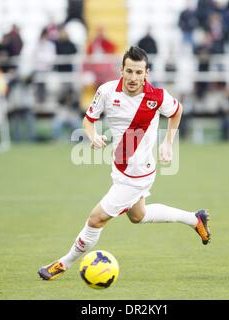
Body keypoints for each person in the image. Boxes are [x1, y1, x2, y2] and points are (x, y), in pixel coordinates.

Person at [38, 47, 211, 281]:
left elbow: (177, 111)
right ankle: (194, 219)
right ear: (121, 70)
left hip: (137, 175)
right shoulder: (107, 91)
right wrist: (92, 135)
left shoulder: (156, 97)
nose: (133, 77)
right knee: (138, 215)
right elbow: (88, 120)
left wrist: (168, 143)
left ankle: (62, 263)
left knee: (95, 219)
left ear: (146, 73)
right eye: (129, 71)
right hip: (120, 167)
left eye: (139, 72)